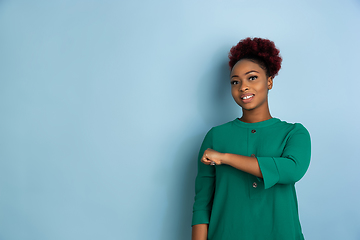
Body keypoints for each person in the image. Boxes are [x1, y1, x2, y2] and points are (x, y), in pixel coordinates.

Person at [191, 37, 311, 240]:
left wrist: (225, 158)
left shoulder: (294, 133)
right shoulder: (215, 136)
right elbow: (202, 205)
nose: (243, 87)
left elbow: (291, 171)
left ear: (270, 81)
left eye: (252, 78)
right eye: (235, 81)